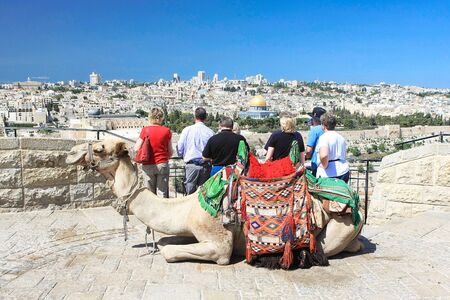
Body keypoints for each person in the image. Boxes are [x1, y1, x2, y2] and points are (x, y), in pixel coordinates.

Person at [134, 107, 173, 198]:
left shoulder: (145, 130)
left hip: (148, 164)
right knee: (162, 193)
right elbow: (170, 152)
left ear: (150, 117)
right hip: (162, 163)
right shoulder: (167, 131)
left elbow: (136, 148)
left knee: (149, 194)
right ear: (161, 118)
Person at [177, 107, 214, 194]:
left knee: (189, 193)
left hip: (191, 165)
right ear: (205, 118)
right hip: (205, 166)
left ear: (195, 117)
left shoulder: (187, 130)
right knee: (203, 193)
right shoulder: (210, 132)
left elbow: (180, 147)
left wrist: (181, 155)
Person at [315, 113, 350, 183]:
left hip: (328, 174)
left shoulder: (324, 137)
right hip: (343, 171)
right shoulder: (341, 138)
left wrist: (324, 166)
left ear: (324, 125)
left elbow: (324, 155)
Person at [305, 107, 327, 176]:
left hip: (317, 163)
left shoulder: (314, 130)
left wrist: (306, 157)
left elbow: (309, 150)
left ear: (314, 119)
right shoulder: (327, 129)